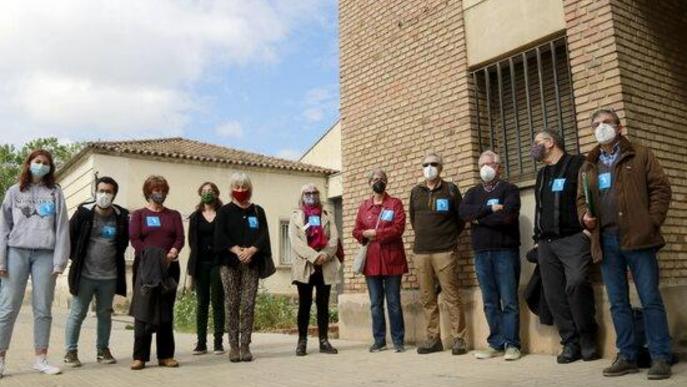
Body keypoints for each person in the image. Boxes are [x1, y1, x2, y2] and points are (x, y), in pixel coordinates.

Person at [577, 109, 673, 380]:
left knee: (650, 298)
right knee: (617, 302)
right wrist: (585, 217)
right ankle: (628, 355)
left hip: (639, 238)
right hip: (606, 241)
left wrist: (651, 222)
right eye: (596, 124)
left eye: (607, 122)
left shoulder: (640, 154)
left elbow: (661, 189)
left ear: (619, 127)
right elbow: (580, 201)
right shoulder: (589, 165)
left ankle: (660, 356)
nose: (601, 127)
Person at [531, 130, 599, 363]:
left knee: (577, 283)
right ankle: (570, 342)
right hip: (546, 243)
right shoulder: (542, 174)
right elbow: (539, 208)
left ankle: (588, 337)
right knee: (554, 294)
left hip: (573, 238)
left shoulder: (577, 164)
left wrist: (587, 229)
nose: (534, 147)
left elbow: (589, 196)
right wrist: (536, 238)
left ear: (550, 143)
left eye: (537, 142)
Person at [0, 149, 70, 377]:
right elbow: (3, 227)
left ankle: (41, 359)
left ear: (50, 168)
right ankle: (0, 359)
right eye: (37, 161)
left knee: (43, 309)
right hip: (16, 252)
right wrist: (1, 260)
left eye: (46, 163)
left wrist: (60, 262)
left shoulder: (55, 192)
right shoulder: (13, 191)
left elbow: (61, 227)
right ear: (28, 163)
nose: (41, 165)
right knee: (8, 307)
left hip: (45, 255)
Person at [459, 150, 522, 361]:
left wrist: (478, 218)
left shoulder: (509, 189)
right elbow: (463, 214)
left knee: (509, 300)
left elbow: (508, 218)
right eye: (482, 165)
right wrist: (490, 209)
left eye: (490, 164)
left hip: (505, 251)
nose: (485, 168)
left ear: (498, 167)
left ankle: (512, 344)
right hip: (481, 253)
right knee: (489, 301)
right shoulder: (473, 192)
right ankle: (496, 343)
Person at [64, 176, 129, 367]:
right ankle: (70, 351)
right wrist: (77, 260)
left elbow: (123, 242)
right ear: (95, 191)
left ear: (114, 194)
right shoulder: (83, 213)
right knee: (77, 313)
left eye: (109, 191)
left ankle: (103, 350)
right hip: (84, 275)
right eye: (101, 190)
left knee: (105, 314)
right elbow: (69, 237)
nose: (104, 194)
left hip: (109, 276)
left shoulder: (121, 216)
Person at [409, 153, 467, 355]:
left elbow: (460, 221)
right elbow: (414, 220)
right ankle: (433, 339)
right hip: (421, 252)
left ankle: (459, 339)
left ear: (441, 168)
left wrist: (448, 240)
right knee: (427, 297)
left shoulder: (450, 189)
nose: (429, 167)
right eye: (425, 164)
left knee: (451, 296)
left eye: (434, 164)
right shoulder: (416, 192)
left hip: (444, 251)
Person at [129, 176, 184, 370]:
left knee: (165, 310)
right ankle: (140, 357)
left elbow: (180, 238)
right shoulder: (139, 215)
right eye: (155, 189)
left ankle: (166, 355)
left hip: (169, 267)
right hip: (145, 267)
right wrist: (151, 256)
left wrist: (172, 253)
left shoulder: (174, 215)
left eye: (162, 189)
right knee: (143, 310)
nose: (159, 192)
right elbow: (135, 238)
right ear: (148, 192)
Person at [215, 172, 271, 362]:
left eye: (243, 187)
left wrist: (252, 250)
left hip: (252, 263)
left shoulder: (257, 211)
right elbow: (219, 235)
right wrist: (236, 250)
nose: (240, 190)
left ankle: (245, 345)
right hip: (229, 263)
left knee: (248, 304)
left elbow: (264, 235)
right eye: (236, 187)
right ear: (231, 189)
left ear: (249, 188)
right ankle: (233, 347)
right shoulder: (224, 211)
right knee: (231, 304)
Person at [353, 169, 408, 353]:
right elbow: (356, 230)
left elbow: (398, 228)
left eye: (382, 179)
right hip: (372, 262)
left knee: (393, 302)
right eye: (375, 179)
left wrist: (377, 233)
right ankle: (379, 340)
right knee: (376, 303)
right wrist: (363, 234)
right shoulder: (364, 206)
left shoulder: (395, 204)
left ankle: (398, 340)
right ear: (370, 183)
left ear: (386, 182)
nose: (379, 182)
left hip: (392, 259)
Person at [289, 183, 339, 356]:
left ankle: (324, 341)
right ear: (302, 196)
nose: (311, 196)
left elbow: (334, 239)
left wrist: (325, 254)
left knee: (323, 304)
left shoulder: (327, 215)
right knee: (305, 304)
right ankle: (302, 342)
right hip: (305, 265)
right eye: (307, 193)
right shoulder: (295, 216)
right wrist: (313, 256)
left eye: (314, 192)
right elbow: (295, 242)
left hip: (325, 264)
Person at [187, 182, 225, 356]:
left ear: (216, 194)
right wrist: (190, 272)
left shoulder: (223, 214)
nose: (207, 193)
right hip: (201, 264)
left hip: (218, 263)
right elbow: (192, 244)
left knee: (218, 302)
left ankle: (218, 343)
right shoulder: (195, 216)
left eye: (210, 191)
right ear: (199, 194)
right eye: (204, 191)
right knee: (202, 303)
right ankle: (201, 343)